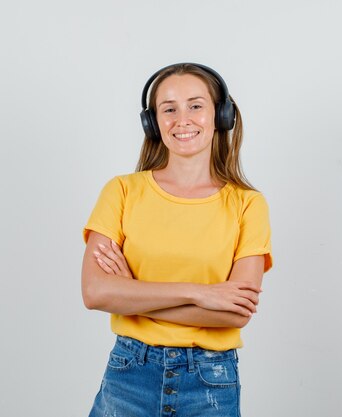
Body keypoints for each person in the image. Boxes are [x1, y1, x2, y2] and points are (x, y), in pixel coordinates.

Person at [81, 63, 272, 416]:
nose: (181, 119)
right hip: (130, 374)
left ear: (222, 116)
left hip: (210, 381)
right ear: (153, 122)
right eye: (168, 109)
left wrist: (132, 292)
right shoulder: (122, 191)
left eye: (195, 105)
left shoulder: (248, 204)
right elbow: (96, 293)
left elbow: (235, 313)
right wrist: (201, 293)